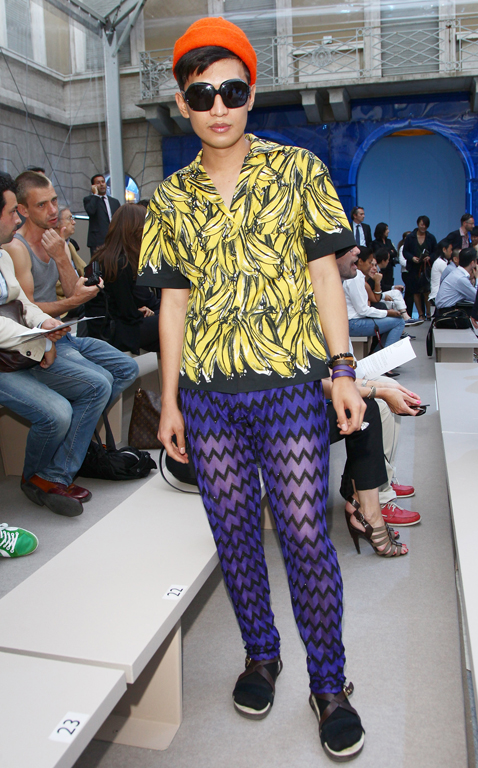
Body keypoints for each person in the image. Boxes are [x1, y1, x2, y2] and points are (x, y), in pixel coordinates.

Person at [137, 17, 371, 762]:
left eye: (232, 91)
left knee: (304, 533)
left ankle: (329, 684)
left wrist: (343, 370)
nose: (218, 106)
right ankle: (261, 655)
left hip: (291, 386)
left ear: (251, 93)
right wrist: (170, 400)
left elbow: (325, 275)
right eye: (202, 94)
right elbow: (172, 304)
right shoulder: (170, 198)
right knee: (234, 534)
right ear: (183, 102)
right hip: (208, 398)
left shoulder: (299, 170)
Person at [4, 171, 138, 509]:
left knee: (125, 368)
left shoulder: (53, 242)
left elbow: (72, 291)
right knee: (98, 383)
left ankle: (78, 443)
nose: (52, 210)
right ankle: (60, 469)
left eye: (54, 201)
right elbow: (26, 310)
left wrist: (62, 257)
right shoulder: (16, 250)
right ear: (22, 210)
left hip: (60, 333)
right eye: (42, 205)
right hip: (36, 344)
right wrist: (57, 319)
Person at [335, 246, 422, 528]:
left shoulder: (339, 286)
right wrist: (374, 387)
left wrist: (373, 381)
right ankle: (378, 497)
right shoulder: (320, 294)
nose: (357, 252)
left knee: (393, 387)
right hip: (322, 390)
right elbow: (326, 376)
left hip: (341, 377)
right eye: (349, 249)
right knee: (379, 405)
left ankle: (384, 478)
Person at [87, 204, 160, 354]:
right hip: (113, 333)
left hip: (107, 329)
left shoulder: (106, 258)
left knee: (171, 329)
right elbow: (128, 314)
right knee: (175, 320)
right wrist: (142, 313)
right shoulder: (120, 264)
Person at [344, 249, 405, 347]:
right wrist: (387, 313)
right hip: (353, 323)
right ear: (360, 262)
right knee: (399, 322)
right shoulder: (355, 278)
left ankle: (380, 353)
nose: (372, 267)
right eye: (370, 263)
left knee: (393, 320)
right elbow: (363, 310)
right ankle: (386, 355)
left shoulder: (358, 277)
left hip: (354, 321)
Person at [372, 249, 422, 326]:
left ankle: (401, 327)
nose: (389, 261)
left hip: (378, 295)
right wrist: (383, 296)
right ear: (383, 260)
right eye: (388, 259)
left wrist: (393, 287)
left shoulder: (379, 271)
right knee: (396, 293)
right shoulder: (373, 273)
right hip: (375, 298)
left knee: (396, 303)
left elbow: (382, 287)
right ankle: (405, 317)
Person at [403, 215, 437, 320]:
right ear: (418, 224)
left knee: (427, 291)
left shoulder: (431, 237)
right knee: (415, 292)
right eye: (422, 224)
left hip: (426, 268)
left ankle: (428, 312)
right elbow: (405, 252)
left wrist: (429, 258)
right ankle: (420, 314)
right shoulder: (410, 237)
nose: (423, 226)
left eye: (425, 225)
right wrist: (412, 258)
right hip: (414, 268)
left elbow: (436, 252)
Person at [83, 174, 121, 257]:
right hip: (98, 242)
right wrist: (96, 195)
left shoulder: (114, 202)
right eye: (98, 183)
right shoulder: (89, 200)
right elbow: (91, 211)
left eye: (103, 182)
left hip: (114, 240)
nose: (101, 184)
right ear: (93, 186)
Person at [435, 247, 478, 312]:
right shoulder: (460, 278)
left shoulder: (457, 272)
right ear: (472, 263)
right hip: (447, 312)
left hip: (446, 309)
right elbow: (477, 297)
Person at [371, 222, 397, 289]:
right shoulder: (375, 243)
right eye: (386, 229)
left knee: (390, 284)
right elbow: (380, 253)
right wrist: (389, 251)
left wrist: (387, 251)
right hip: (381, 267)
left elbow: (395, 253)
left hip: (390, 267)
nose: (388, 231)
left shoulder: (389, 241)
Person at [429, 238, 453, 304]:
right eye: (450, 250)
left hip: (439, 297)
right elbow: (452, 278)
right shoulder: (440, 263)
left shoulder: (442, 261)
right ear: (444, 250)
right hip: (437, 297)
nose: (451, 252)